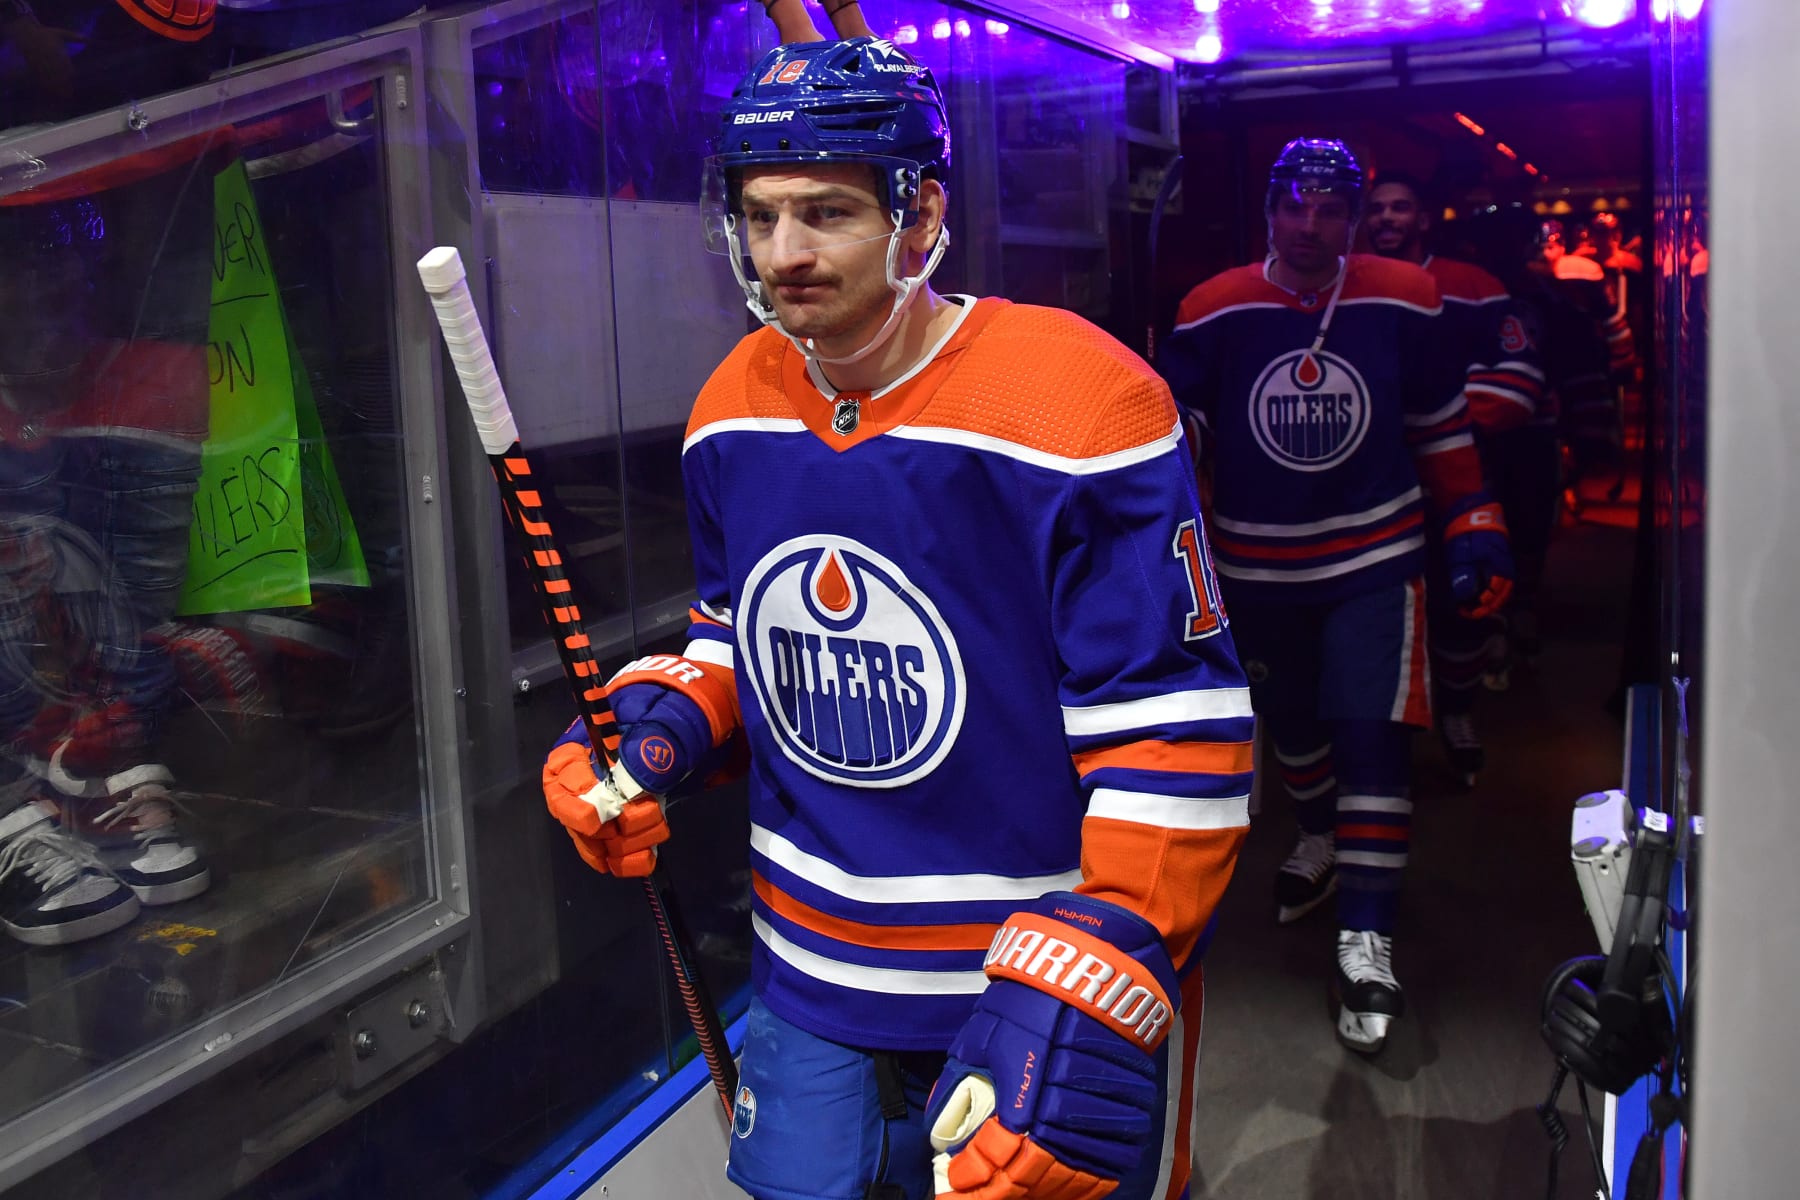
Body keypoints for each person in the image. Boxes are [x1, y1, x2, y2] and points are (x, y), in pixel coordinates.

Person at [539, 34, 1252, 1200]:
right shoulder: (732, 408)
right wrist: (661, 729)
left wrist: (1095, 965)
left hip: (1021, 977)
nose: (786, 254)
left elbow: (1182, 734)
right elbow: (740, 635)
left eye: (825, 210)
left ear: (920, 216)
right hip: (809, 971)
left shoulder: (1081, 400)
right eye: (761, 216)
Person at [1159, 139, 1513, 1053]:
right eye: (1294, 207)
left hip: (1374, 558)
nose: (1310, 227)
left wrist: (1474, 514)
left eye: (1330, 210)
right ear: (1270, 210)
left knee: (1371, 740)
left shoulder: (1403, 293)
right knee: (1298, 730)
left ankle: (1368, 938)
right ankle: (1318, 833)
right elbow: (1178, 428)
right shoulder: (1212, 308)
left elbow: (1438, 419)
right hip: (1256, 566)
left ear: (1352, 217)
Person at [1364, 172, 1546, 782]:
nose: (1387, 217)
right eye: (1377, 208)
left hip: (1460, 482)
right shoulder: (1340, 288)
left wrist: (1418, 415)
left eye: (1401, 206)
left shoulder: (1474, 287)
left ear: (1423, 217)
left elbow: (1518, 384)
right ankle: (1378, 748)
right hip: (1370, 488)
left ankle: (1460, 712)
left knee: (1462, 606)